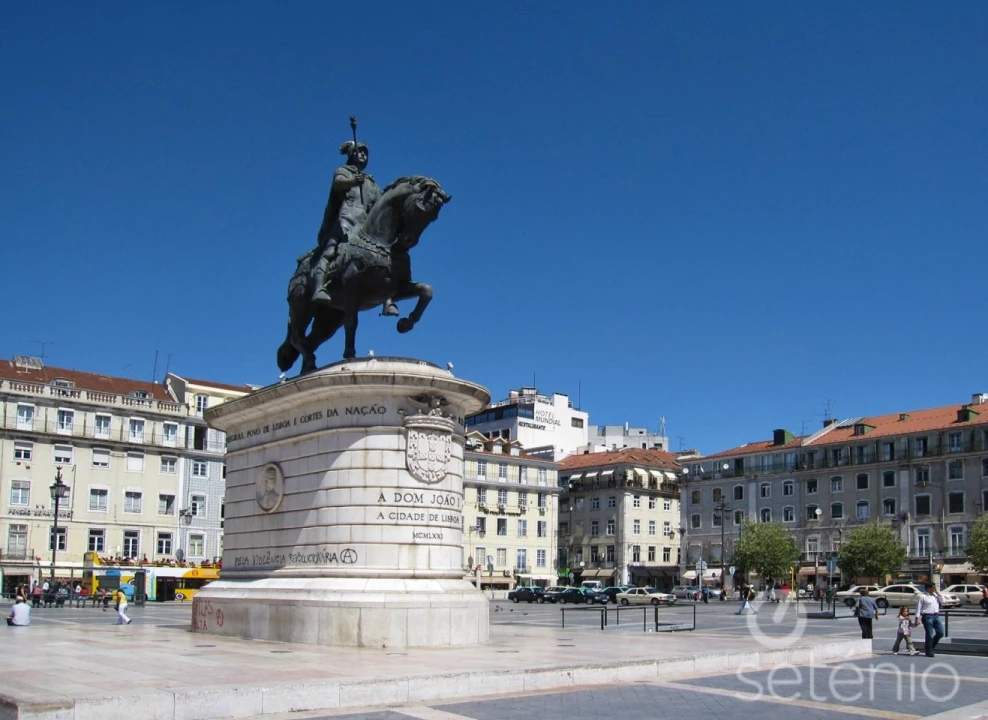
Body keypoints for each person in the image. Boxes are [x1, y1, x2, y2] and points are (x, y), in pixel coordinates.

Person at [310, 138, 395, 316]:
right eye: (360, 152)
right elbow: (338, 183)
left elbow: (380, 203)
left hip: (364, 227)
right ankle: (319, 288)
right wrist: (352, 182)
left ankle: (388, 299)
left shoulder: (371, 182)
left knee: (388, 257)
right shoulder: (343, 171)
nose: (363, 156)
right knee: (330, 251)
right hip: (345, 222)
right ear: (351, 155)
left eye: (366, 153)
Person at [916, 581, 944, 657]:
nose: (934, 589)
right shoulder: (923, 596)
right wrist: (917, 618)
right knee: (930, 634)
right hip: (927, 616)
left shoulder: (935, 596)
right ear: (928, 588)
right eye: (933, 587)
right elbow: (918, 608)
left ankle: (931, 646)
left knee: (941, 633)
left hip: (936, 616)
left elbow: (943, 601)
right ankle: (928, 651)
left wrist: (938, 593)